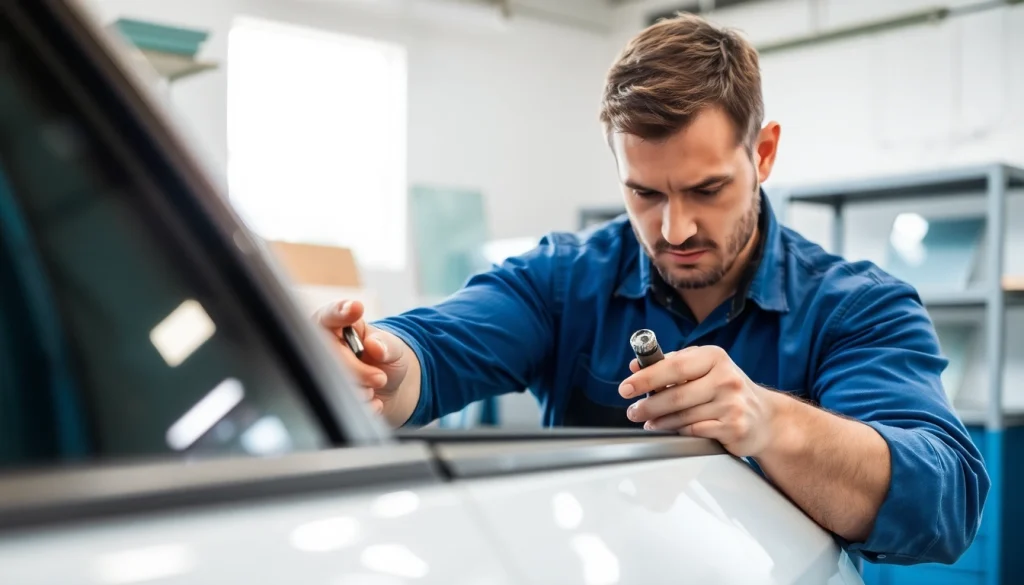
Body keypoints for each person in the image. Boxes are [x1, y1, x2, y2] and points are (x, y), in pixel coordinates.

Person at [316, 13, 988, 566]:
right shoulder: (565, 279)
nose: (675, 227)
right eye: (644, 192)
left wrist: (769, 422)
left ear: (764, 154)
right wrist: (380, 366)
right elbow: (431, 351)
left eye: (707, 189)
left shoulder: (858, 306)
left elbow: (945, 501)